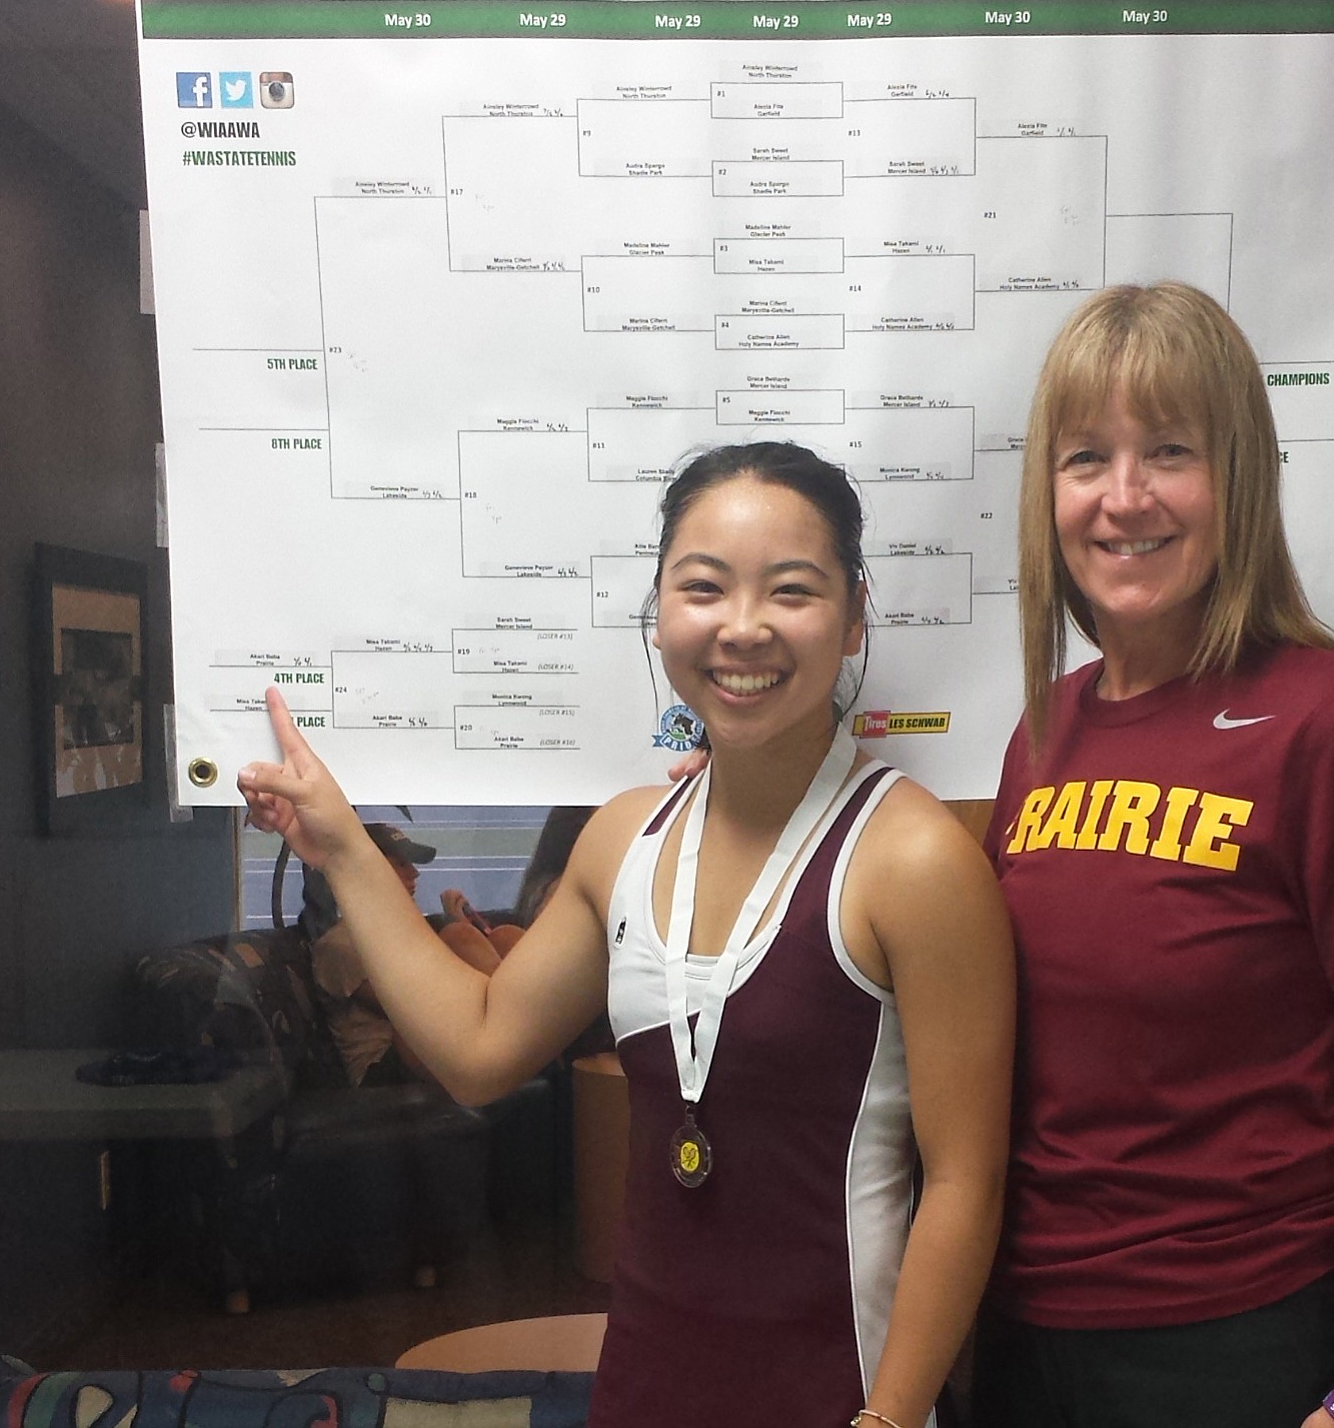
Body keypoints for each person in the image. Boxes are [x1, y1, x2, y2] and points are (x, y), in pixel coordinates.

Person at [239, 440, 1015, 1428]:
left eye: (791, 591)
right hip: (645, 1385)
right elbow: (480, 1051)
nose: (742, 628)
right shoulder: (623, 840)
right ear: (658, 613)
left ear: (856, 615)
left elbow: (963, 1180)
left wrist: (894, 1417)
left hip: (840, 1398)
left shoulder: (915, 861)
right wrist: (344, 850)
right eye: (703, 588)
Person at [973, 283, 1334, 1428]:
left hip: (1237, 1341)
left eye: (1171, 452)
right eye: (1086, 456)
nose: (1124, 497)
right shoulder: (1044, 731)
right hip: (1027, 1329)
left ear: (1238, 478)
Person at [305, 821, 526, 1088]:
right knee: (459, 936)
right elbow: (414, 1007)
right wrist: (461, 935)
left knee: (505, 936)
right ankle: (528, 1035)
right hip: (383, 1068)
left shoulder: (402, 931)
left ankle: (531, 1037)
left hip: (433, 1039)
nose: (415, 873)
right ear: (365, 870)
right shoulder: (341, 944)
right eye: (400, 864)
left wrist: (473, 934)